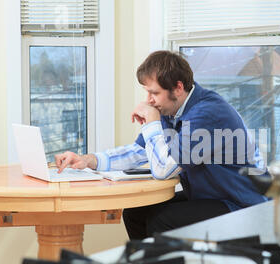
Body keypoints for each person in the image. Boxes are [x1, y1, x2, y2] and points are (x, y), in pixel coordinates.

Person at [55, 50, 268, 240]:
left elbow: (163, 170)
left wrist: (152, 123)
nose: (149, 101)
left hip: (243, 206)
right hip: (213, 196)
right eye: (147, 92)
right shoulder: (171, 109)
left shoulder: (207, 113)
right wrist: (88, 160)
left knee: (163, 220)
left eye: (154, 93)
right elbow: (139, 152)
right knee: (135, 212)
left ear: (177, 88)